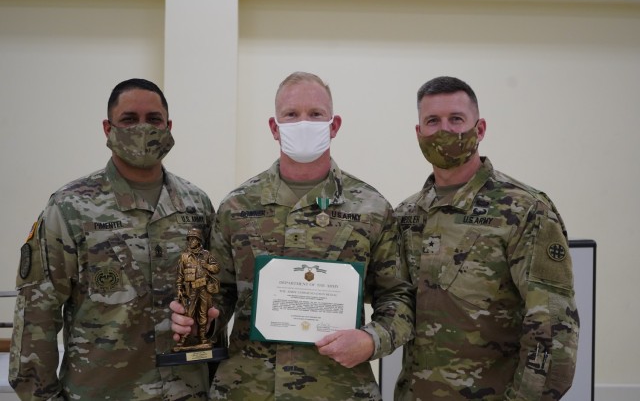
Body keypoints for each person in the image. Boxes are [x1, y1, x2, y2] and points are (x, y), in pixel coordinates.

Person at [170, 71, 415, 400]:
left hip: (338, 389)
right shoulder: (237, 206)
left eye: (315, 114)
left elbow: (397, 298)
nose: (304, 123)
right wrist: (201, 319)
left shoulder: (371, 208)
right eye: (291, 114)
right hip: (247, 389)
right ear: (274, 127)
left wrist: (371, 341)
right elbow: (222, 293)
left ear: (334, 125)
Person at [9, 78, 215, 400]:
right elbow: (37, 315)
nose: (143, 128)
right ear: (108, 128)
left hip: (185, 391)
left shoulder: (197, 204)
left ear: (168, 126)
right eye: (129, 119)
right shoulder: (70, 207)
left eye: (154, 119)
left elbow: (213, 298)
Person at [394, 76, 579, 400]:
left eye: (456, 119)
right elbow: (389, 299)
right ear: (418, 132)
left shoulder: (525, 210)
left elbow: (553, 334)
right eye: (432, 121)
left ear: (479, 129)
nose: (444, 131)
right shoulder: (407, 215)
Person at [175, 228, 220, 348]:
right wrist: (179, 289)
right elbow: (180, 275)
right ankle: (183, 339)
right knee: (188, 314)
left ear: (199, 241)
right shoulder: (184, 256)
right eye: (189, 239)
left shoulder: (206, 254)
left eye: (193, 239)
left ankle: (203, 337)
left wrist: (207, 266)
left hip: (204, 288)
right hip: (191, 290)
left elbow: (216, 268)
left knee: (203, 314)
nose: (191, 241)